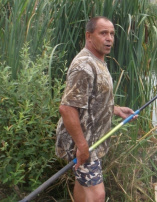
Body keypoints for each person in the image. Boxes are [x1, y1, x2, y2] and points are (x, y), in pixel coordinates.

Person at [56, 16, 136, 202]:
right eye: (103, 33)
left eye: (112, 34)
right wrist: (82, 147)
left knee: (83, 186)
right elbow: (67, 108)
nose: (109, 38)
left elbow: (91, 99)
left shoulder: (97, 60)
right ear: (89, 36)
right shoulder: (84, 65)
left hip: (91, 142)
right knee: (97, 195)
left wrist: (115, 109)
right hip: (83, 143)